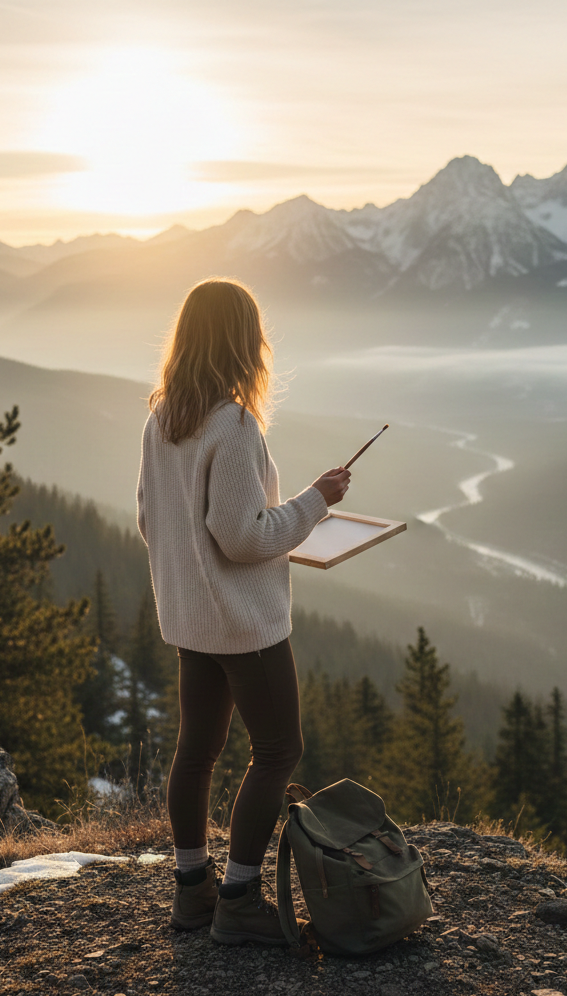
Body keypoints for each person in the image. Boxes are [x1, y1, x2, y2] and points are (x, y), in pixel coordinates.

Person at [136, 277, 350, 945]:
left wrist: (191, 576)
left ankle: (192, 894)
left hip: (192, 620)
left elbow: (150, 519)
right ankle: (239, 902)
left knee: (196, 753)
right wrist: (316, 502)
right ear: (242, 340)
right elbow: (244, 535)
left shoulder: (163, 416)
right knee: (279, 750)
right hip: (244, 626)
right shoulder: (232, 424)